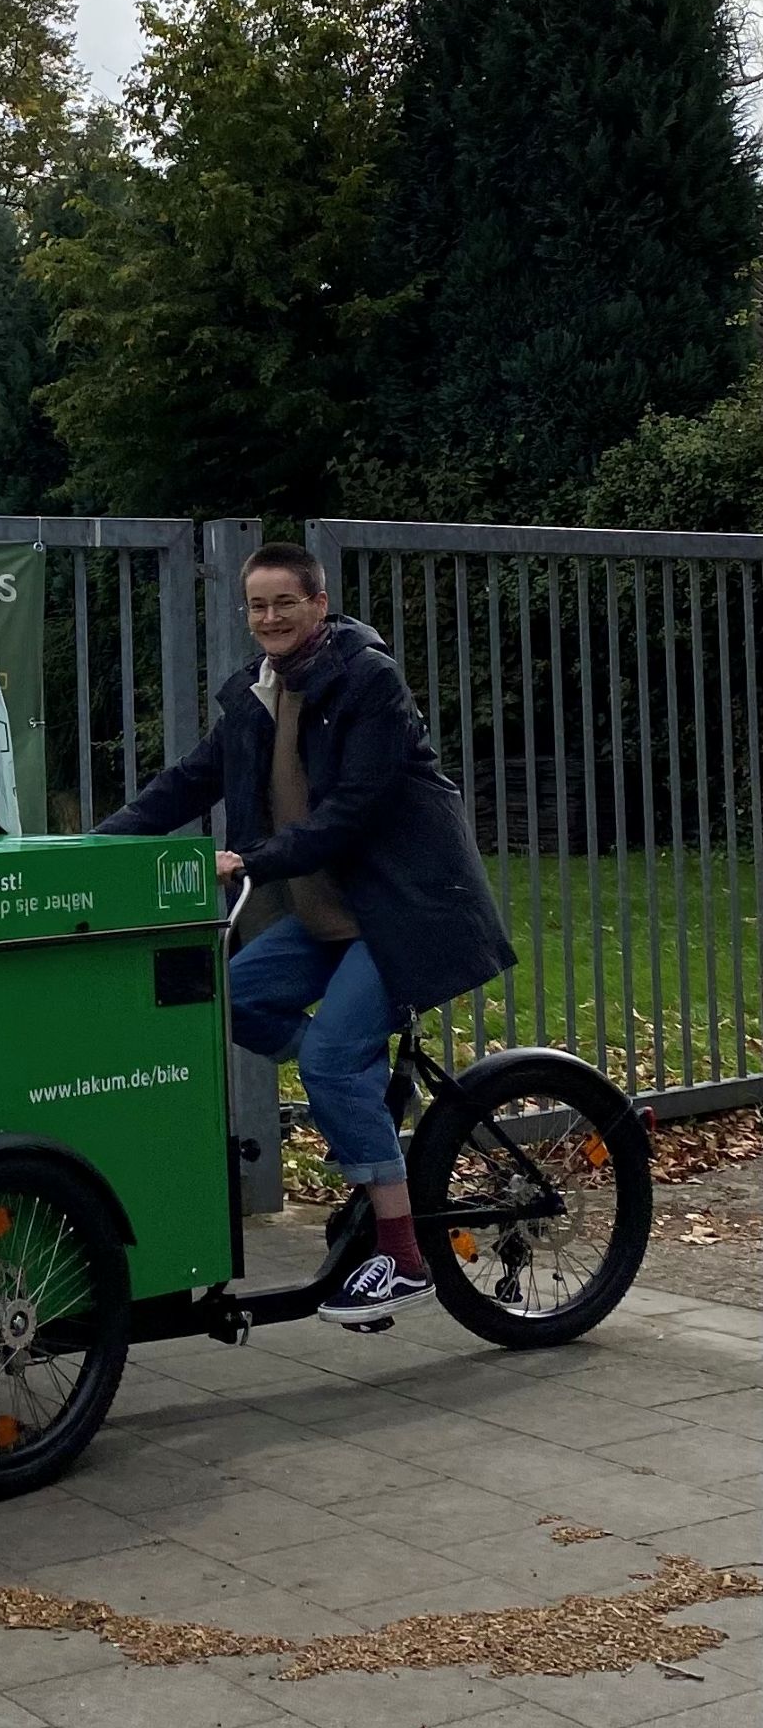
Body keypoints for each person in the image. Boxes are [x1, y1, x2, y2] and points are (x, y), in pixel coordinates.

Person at [97, 541, 515, 1324]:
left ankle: (403, 1258)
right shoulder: (260, 695)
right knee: (220, 996)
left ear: (319, 604)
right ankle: (351, 1099)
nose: (270, 618)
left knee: (326, 1055)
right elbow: (187, 781)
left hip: (397, 915)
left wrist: (249, 856)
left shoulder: (368, 683)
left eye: (285, 602)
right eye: (257, 606)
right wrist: (90, 850)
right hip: (320, 918)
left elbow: (350, 812)